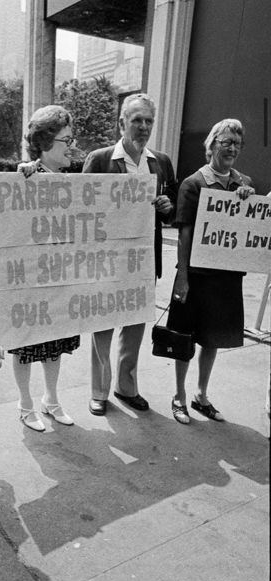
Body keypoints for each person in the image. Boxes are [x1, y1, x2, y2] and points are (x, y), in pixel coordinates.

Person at [83, 93, 178, 415]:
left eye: (149, 121)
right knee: (103, 327)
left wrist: (168, 209)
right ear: (121, 123)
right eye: (136, 120)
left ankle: (127, 387)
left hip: (143, 261)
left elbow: (172, 208)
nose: (143, 126)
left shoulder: (161, 162)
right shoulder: (100, 159)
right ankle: (99, 391)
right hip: (107, 261)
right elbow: (80, 209)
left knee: (135, 328)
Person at [168, 118, 254, 424]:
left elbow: (246, 226)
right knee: (184, 337)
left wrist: (246, 199)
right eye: (225, 142)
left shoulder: (242, 183)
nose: (231, 148)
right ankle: (179, 396)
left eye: (236, 143)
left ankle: (201, 395)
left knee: (213, 338)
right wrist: (182, 277)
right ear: (211, 145)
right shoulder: (194, 184)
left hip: (225, 278)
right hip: (197, 277)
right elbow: (184, 234)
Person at [10, 104, 80, 431]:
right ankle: (25, 405)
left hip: (60, 276)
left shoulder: (72, 182)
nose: (72, 146)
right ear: (45, 141)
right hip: (29, 279)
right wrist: (23, 175)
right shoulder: (26, 176)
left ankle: (50, 400)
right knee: (25, 343)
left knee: (55, 344)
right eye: (66, 140)